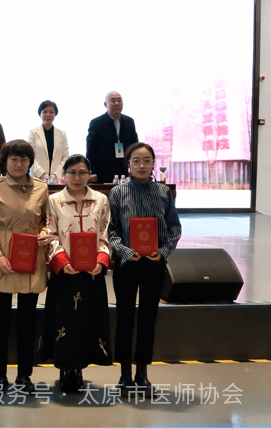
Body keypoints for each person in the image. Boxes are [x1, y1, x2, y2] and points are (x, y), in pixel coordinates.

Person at [108, 142, 181, 394]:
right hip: (127, 264)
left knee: (148, 318)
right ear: (128, 164)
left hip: (154, 264)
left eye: (147, 160)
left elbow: (174, 228)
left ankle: (142, 373)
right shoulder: (117, 192)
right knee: (125, 317)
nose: (141, 165)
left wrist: (163, 251)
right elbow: (111, 230)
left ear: (153, 164)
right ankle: (124, 374)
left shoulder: (163, 192)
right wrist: (125, 252)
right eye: (136, 160)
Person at [39, 154, 112, 394]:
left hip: (92, 273)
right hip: (65, 272)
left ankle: (79, 368)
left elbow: (105, 234)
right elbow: (49, 234)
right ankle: (65, 368)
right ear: (64, 175)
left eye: (82, 172)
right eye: (72, 172)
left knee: (87, 322)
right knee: (65, 321)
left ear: (89, 175)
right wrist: (61, 260)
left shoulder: (100, 200)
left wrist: (101, 261)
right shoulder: (54, 201)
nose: (77, 177)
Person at [0, 139, 48, 393]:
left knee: (28, 320)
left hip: (31, 258)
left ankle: (24, 375)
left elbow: (47, 220)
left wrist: (45, 233)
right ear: (5, 161)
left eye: (24, 159)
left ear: (30, 162)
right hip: (3, 259)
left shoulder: (41, 188)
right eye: (14, 159)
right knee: (0, 319)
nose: (19, 164)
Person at [86, 91, 138, 183]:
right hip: (102, 171)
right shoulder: (97, 123)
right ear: (105, 104)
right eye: (113, 101)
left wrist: (134, 168)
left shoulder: (129, 121)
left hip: (123, 170)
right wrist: (92, 172)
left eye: (119, 100)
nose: (116, 103)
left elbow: (135, 146)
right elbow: (91, 149)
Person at [27, 100, 69, 182]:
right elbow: (30, 156)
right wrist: (42, 174)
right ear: (40, 114)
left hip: (56, 179)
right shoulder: (33, 132)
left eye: (51, 112)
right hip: (37, 177)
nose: (48, 115)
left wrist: (56, 175)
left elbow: (65, 157)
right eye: (45, 112)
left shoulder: (62, 134)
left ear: (55, 114)